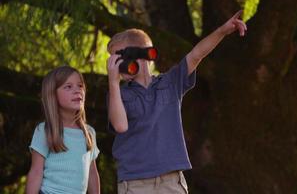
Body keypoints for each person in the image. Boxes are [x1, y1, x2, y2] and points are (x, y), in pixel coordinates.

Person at [106, 10, 247, 194]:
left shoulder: (169, 83)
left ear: (139, 54)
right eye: (111, 59)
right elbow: (120, 126)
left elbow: (196, 55)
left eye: (117, 56)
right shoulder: (118, 94)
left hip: (171, 181)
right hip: (135, 182)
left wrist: (222, 31)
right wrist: (113, 83)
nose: (113, 63)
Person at [26, 66, 100, 194]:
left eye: (80, 86)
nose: (77, 91)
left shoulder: (89, 133)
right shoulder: (44, 130)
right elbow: (36, 172)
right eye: (68, 87)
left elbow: (92, 173)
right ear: (52, 95)